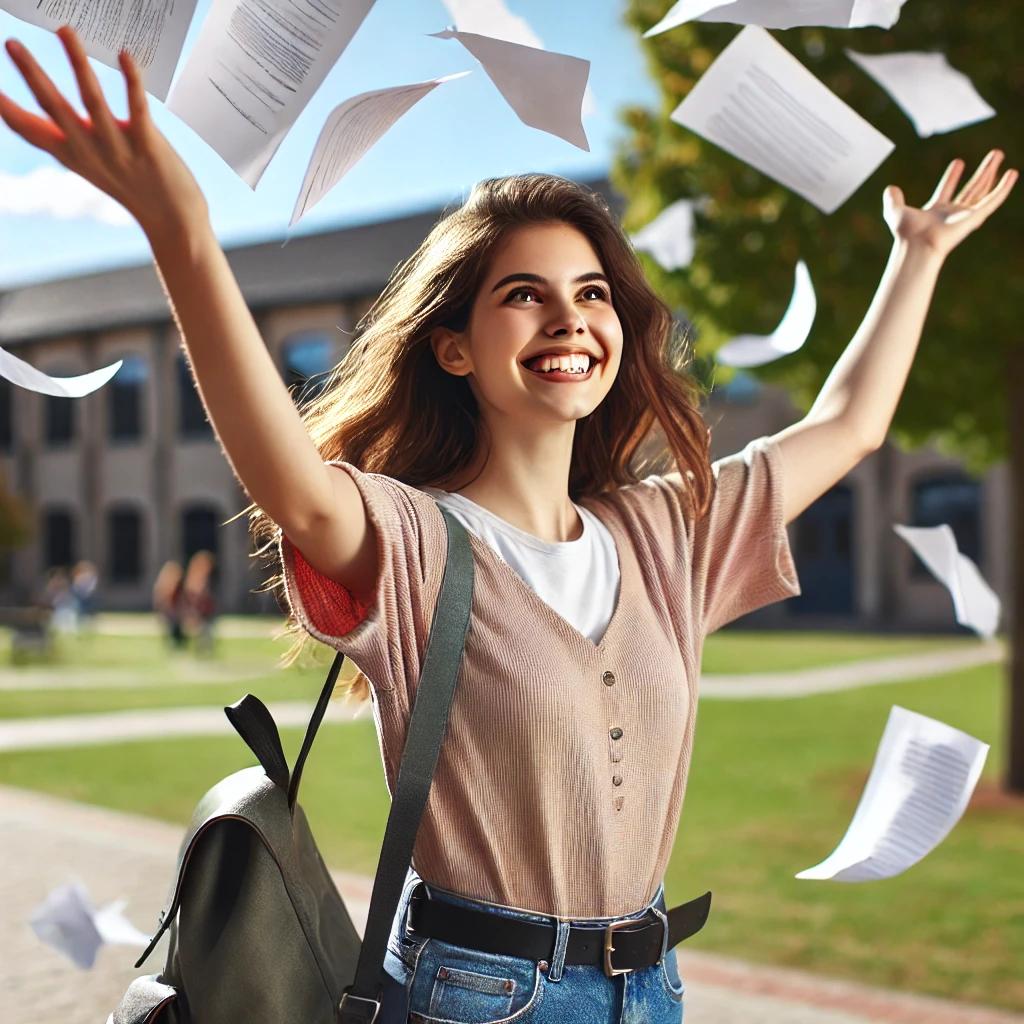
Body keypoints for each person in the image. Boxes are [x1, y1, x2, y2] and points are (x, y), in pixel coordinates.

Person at [0, 25, 1014, 1023]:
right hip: (476, 996)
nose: (569, 318)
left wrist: (915, 257)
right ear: (453, 350)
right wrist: (180, 227)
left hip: (652, 988)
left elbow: (848, 423)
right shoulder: (414, 542)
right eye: (524, 296)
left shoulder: (668, 534)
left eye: (591, 294)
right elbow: (296, 486)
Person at [181, 550, 217, 655]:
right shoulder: (196, 578)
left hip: (206, 610)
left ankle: (205, 651)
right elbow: (193, 597)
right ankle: (201, 651)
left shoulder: (204, 578)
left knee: (207, 632)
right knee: (203, 632)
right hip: (200, 611)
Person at [152, 560, 186, 649]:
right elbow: (161, 601)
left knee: (177, 632)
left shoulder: (178, 586)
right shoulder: (165, 586)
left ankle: (178, 646)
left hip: (175, 614)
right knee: (171, 631)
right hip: (170, 614)